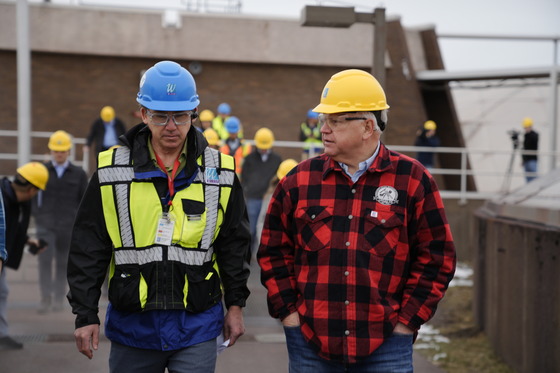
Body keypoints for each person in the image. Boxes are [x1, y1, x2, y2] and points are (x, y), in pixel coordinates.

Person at [258, 69, 456, 372]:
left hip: (388, 344)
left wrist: (407, 322)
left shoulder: (413, 180)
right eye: (325, 120)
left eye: (335, 121)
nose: (324, 129)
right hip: (310, 344)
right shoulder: (298, 182)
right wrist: (289, 314)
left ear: (367, 126)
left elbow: (437, 257)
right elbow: (273, 251)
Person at [66, 60, 251, 373]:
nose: (170, 126)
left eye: (179, 116)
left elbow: (234, 244)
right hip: (133, 326)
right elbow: (89, 244)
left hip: (197, 324)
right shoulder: (111, 171)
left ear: (193, 114)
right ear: (143, 114)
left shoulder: (220, 172)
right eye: (160, 116)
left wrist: (235, 305)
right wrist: (85, 314)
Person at [32, 130, 88, 314]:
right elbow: (32, 196)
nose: (59, 154)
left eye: (62, 151)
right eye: (56, 151)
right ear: (51, 151)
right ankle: (45, 299)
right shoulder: (41, 171)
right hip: (45, 225)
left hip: (67, 226)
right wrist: (38, 216)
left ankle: (58, 299)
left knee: (63, 264)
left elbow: (84, 201)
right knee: (44, 262)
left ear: (69, 151)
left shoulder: (79, 174)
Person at [0, 162, 49, 350]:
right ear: (32, 189)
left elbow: (11, 227)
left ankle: (2, 334)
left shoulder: (17, 201)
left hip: (2, 255)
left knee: (2, 291)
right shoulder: (3, 200)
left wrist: (29, 241)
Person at [240, 128, 282, 257]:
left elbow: (278, 178)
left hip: (269, 199)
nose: (263, 149)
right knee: (251, 229)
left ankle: (264, 255)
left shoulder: (277, 160)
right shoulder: (249, 159)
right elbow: (244, 176)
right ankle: (248, 254)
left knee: (266, 229)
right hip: (253, 198)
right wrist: (248, 190)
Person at [521, 117, 539, 182]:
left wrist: (528, 134)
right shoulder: (525, 135)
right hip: (526, 160)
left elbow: (531, 144)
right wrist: (523, 159)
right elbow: (524, 148)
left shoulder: (534, 135)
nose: (525, 129)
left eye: (527, 127)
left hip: (532, 159)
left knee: (534, 177)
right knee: (528, 178)